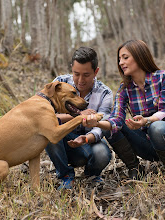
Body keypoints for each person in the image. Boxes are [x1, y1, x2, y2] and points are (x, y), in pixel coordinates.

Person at [83, 40, 165, 179]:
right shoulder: (124, 89)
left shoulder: (163, 77)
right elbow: (116, 120)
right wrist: (97, 124)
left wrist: (146, 121)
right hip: (148, 147)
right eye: (119, 59)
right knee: (109, 123)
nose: (120, 63)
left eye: (125, 58)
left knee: (156, 127)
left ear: (140, 56)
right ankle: (135, 169)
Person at [45, 46, 113, 190]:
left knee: (102, 154)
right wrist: (76, 116)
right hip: (61, 140)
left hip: (87, 143)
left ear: (96, 72)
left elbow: (102, 125)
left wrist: (86, 138)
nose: (80, 80)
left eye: (86, 75)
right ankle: (65, 176)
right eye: (76, 74)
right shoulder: (60, 83)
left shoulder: (105, 93)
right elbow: (47, 116)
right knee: (48, 129)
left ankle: (91, 174)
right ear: (71, 68)